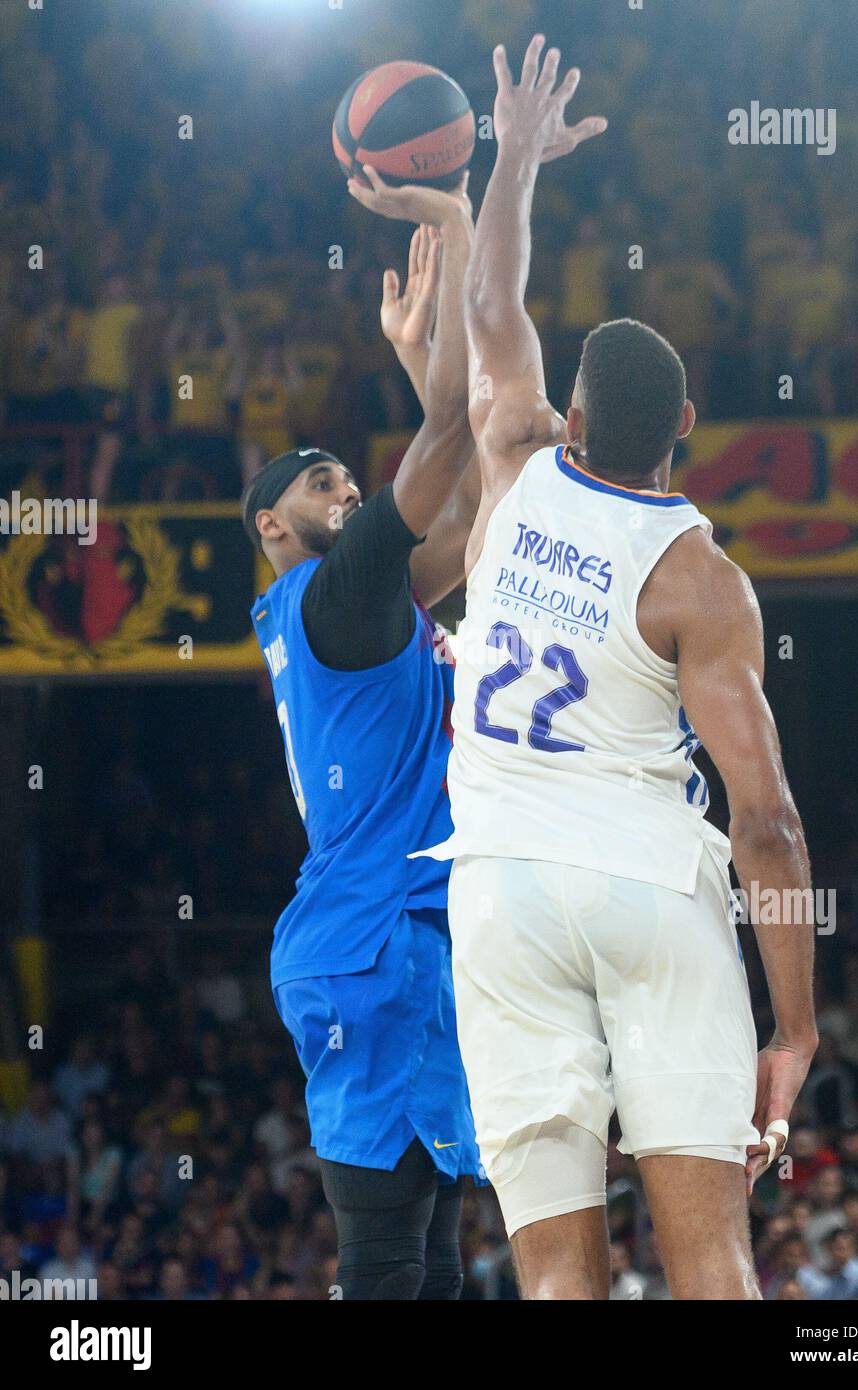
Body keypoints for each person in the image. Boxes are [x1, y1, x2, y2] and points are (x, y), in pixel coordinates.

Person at [417, 35, 817, 1299]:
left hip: (498, 900)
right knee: (709, 1257)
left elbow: (489, 308)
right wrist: (795, 1025)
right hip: (648, 887)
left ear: (572, 416)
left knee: (552, 1279)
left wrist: (515, 158)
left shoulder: (517, 454)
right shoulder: (703, 580)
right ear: (687, 429)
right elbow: (770, 825)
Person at [242, 184, 483, 1300]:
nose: (345, 486)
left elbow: (474, 500)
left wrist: (434, 361)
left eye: (349, 475)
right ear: (273, 525)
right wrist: (426, 347)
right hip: (367, 940)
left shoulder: (376, 607)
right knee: (389, 1259)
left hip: (402, 933)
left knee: (434, 1249)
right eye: (321, 481)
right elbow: (443, 443)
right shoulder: (330, 597)